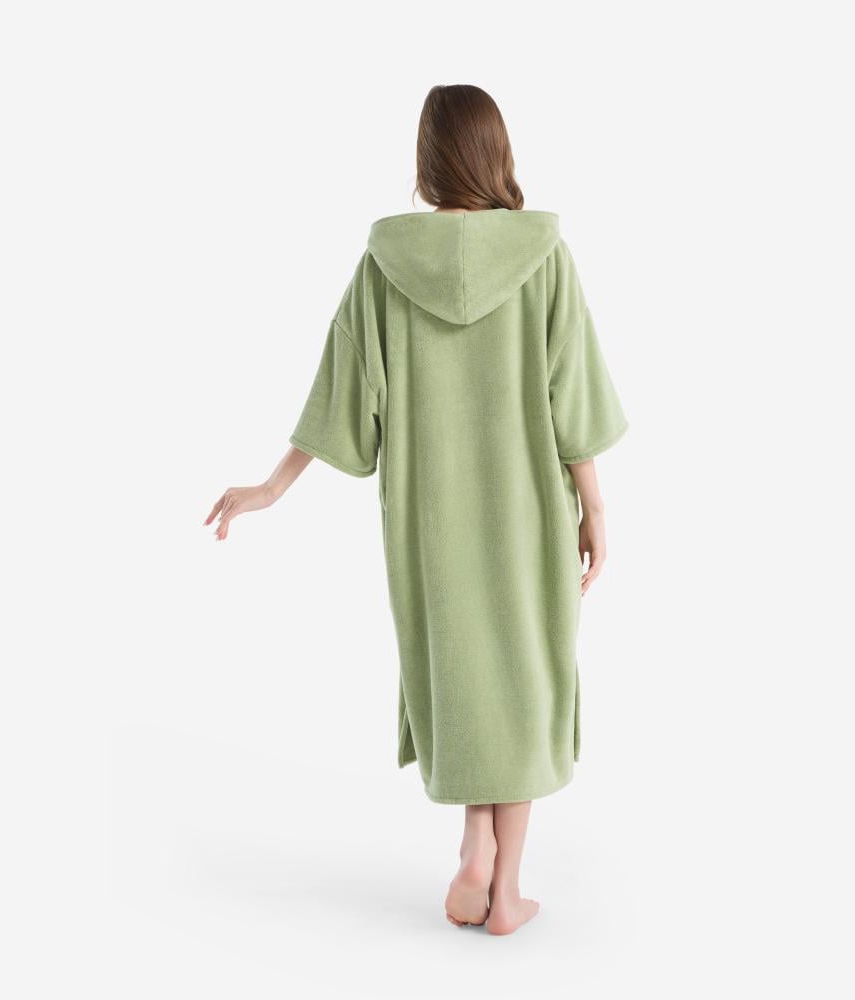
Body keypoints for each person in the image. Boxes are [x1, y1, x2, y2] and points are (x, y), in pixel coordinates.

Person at [204, 84, 629, 935]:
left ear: (427, 160)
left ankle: (475, 849)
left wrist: (272, 486)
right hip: (529, 518)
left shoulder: (386, 267)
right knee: (525, 675)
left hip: (430, 527)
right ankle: (506, 890)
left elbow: (343, 389)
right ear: (496, 151)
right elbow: (572, 398)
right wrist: (594, 509)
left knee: (464, 667)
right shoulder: (544, 257)